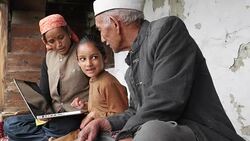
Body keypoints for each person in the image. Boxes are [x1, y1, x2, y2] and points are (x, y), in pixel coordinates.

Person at [77, 0, 246, 141]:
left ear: (115, 24)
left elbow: (166, 100)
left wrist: (126, 133)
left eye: (100, 30)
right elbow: (137, 112)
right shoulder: (131, 69)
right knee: (100, 135)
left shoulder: (167, 31)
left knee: (152, 132)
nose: (101, 38)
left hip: (203, 132)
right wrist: (106, 123)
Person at [4, 14, 89, 141]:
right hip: (54, 114)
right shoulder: (49, 58)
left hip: (76, 114)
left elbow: (95, 82)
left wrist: (87, 106)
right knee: (11, 124)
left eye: (61, 37)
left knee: (56, 127)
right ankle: (52, 137)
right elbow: (45, 92)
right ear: (46, 42)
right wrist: (42, 111)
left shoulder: (82, 52)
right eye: (52, 41)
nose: (59, 44)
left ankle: (50, 135)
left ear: (69, 33)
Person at [52, 34, 129, 141]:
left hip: (107, 134)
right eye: (83, 59)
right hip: (93, 129)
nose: (88, 64)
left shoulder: (108, 83)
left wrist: (94, 114)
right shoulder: (93, 79)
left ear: (104, 58)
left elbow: (122, 115)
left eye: (94, 57)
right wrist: (85, 106)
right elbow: (102, 105)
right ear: (78, 62)